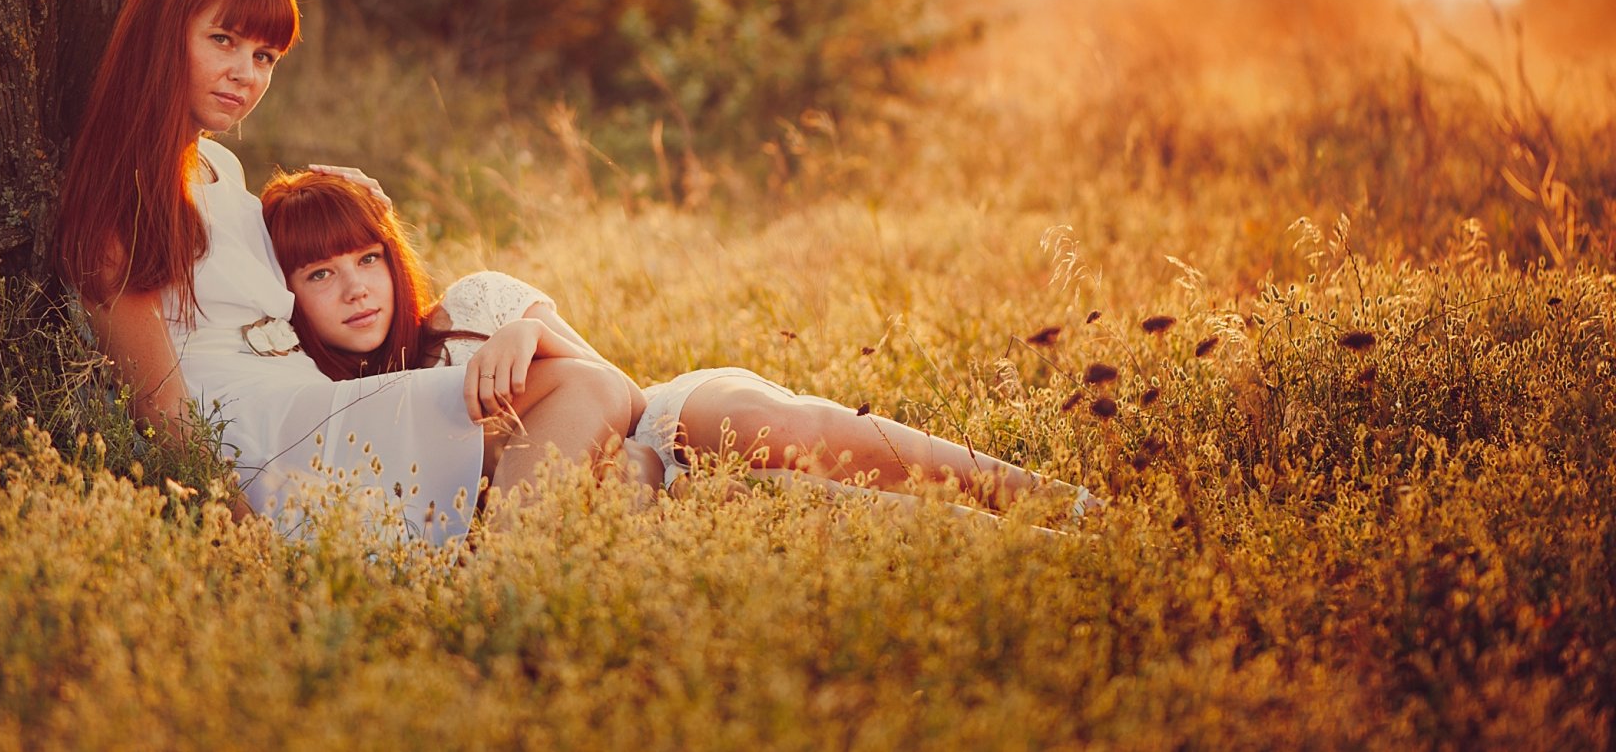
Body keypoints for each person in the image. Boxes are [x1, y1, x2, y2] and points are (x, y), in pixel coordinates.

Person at [55, 0, 639, 540]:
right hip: (262, 440)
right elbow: (159, 407)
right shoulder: (119, 196)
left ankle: (495, 567)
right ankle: (498, 584)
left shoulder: (219, 169)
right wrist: (248, 540)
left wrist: (365, 209)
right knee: (582, 387)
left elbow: (304, 269)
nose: (244, 75)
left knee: (604, 438)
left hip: (318, 408)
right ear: (161, 35)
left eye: (264, 57)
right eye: (222, 40)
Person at [259, 168, 1102, 521]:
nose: (357, 286)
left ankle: (1068, 503)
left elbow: (618, 393)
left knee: (795, 434)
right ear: (288, 295)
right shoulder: (335, 404)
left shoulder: (474, 305)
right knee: (790, 505)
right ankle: (1044, 551)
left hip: (660, 419)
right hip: (627, 503)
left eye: (368, 258)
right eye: (322, 274)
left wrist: (533, 331)